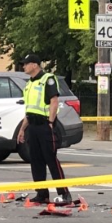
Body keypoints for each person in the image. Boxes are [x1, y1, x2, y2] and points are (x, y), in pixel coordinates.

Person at [17, 54, 71, 204]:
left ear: (35, 65)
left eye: (26, 64)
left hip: (45, 125)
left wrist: (50, 122)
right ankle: (42, 194)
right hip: (32, 126)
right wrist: (22, 129)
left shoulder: (48, 79)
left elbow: (54, 101)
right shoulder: (29, 84)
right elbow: (30, 109)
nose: (24, 66)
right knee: (36, 161)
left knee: (51, 159)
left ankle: (64, 193)